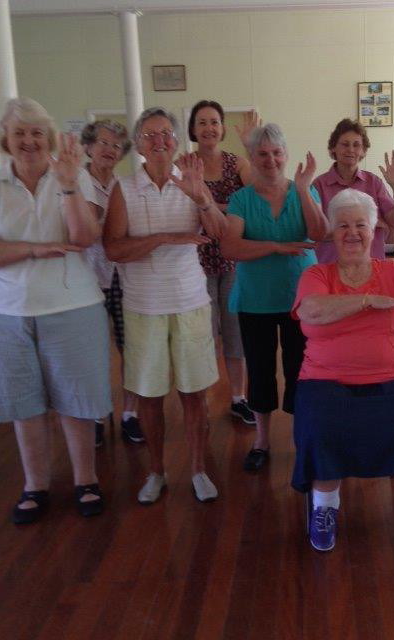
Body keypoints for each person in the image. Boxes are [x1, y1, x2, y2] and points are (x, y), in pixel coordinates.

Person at [0, 97, 111, 522]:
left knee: (77, 403)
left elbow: (85, 236)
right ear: (5, 139)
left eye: (37, 132)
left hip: (73, 305)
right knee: (26, 405)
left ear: (50, 138)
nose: (29, 141)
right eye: (19, 133)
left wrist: (71, 184)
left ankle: (85, 481)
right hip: (6, 311)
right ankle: (34, 486)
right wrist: (36, 249)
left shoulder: (74, 178)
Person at [291, 189, 394, 553]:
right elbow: (311, 311)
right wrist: (366, 301)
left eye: (361, 224)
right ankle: (324, 509)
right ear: (332, 232)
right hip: (325, 377)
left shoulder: (392, 269)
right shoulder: (317, 274)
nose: (353, 232)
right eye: (343, 225)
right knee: (320, 423)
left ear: (374, 230)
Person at [103, 107, 227, 504]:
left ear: (177, 141)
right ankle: (156, 471)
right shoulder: (123, 188)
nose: (159, 141)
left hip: (190, 302)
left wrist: (202, 200)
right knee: (150, 396)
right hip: (143, 307)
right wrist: (163, 238)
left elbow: (220, 234)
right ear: (138, 145)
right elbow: (114, 249)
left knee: (194, 394)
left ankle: (198, 469)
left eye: (166, 134)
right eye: (150, 135)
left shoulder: (192, 181)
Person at [220, 123, 328, 472]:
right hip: (255, 300)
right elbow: (230, 246)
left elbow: (319, 233)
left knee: (301, 370)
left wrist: (303, 187)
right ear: (251, 158)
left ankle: (301, 440)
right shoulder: (241, 199)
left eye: (276, 153)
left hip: (301, 299)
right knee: (261, 371)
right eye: (262, 154)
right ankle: (262, 441)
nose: (270, 159)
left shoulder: (302, 191)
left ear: (286, 154)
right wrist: (276, 246)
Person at [187, 101, 256, 425]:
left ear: (222, 128)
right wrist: (227, 208)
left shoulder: (236, 162)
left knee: (234, 333)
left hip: (231, 262)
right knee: (202, 333)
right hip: (193, 263)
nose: (209, 128)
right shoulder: (183, 165)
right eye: (202, 122)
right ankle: (199, 400)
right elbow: (182, 207)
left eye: (214, 122)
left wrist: (210, 206)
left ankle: (238, 397)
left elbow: (258, 195)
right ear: (193, 129)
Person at [81, 119, 143, 446]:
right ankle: (95, 416)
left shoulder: (124, 185)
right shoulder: (73, 183)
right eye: (103, 143)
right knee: (92, 352)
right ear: (88, 146)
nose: (109, 150)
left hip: (122, 276)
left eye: (116, 146)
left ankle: (129, 415)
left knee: (129, 346)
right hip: (84, 279)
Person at [312, 118, 394, 263]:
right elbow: (316, 233)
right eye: (345, 144)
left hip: (372, 268)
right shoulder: (319, 185)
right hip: (331, 269)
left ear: (363, 151)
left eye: (356, 145)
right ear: (333, 148)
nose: (351, 149)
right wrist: (371, 224)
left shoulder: (374, 182)